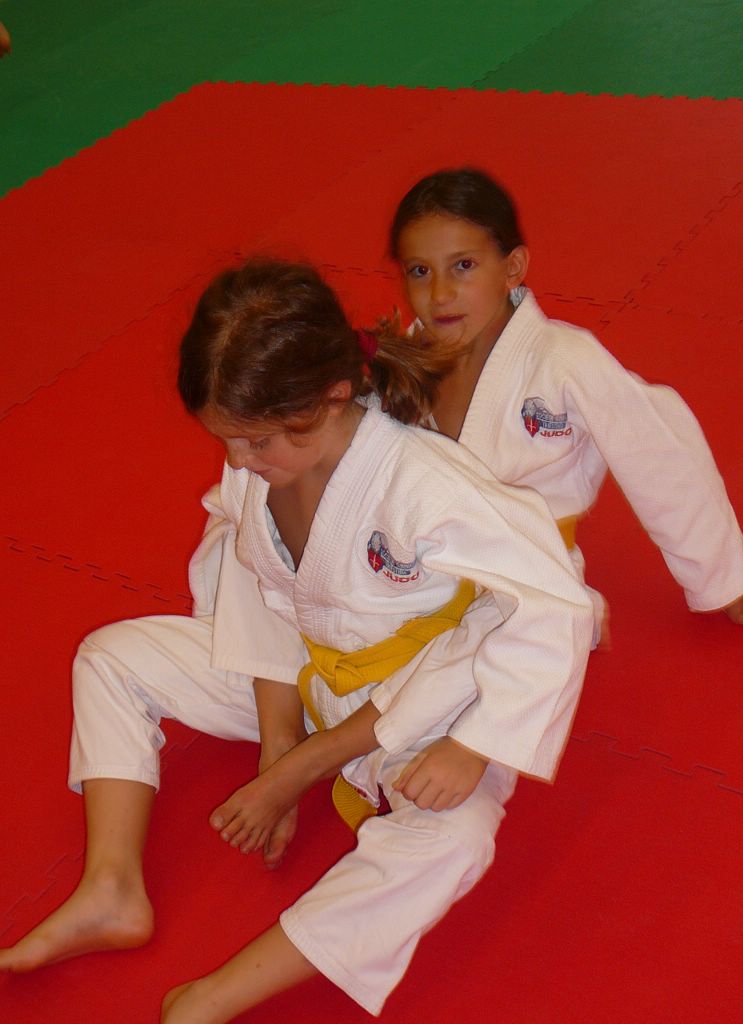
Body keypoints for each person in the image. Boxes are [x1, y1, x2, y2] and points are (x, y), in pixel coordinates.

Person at [0, 259, 593, 1022]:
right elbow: (256, 581)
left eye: (254, 441)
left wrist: (474, 746)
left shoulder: (423, 483)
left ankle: (210, 998)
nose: (238, 463)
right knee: (110, 657)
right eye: (227, 440)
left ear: (332, 397)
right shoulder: (261, 463)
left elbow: (555, 599)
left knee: (458, 837)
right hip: (308, 674)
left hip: (422, 707)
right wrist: (278, 744)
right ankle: (111, 889)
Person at [386, 166, 743, 642]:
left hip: (531, 573)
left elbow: (661, 459)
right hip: (418, 569)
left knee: (508, 655)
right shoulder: (402, 362)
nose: (440, 294)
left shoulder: (565, 361)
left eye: (463, 265)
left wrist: (723, 580)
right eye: (420, 271)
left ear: (512, 268)